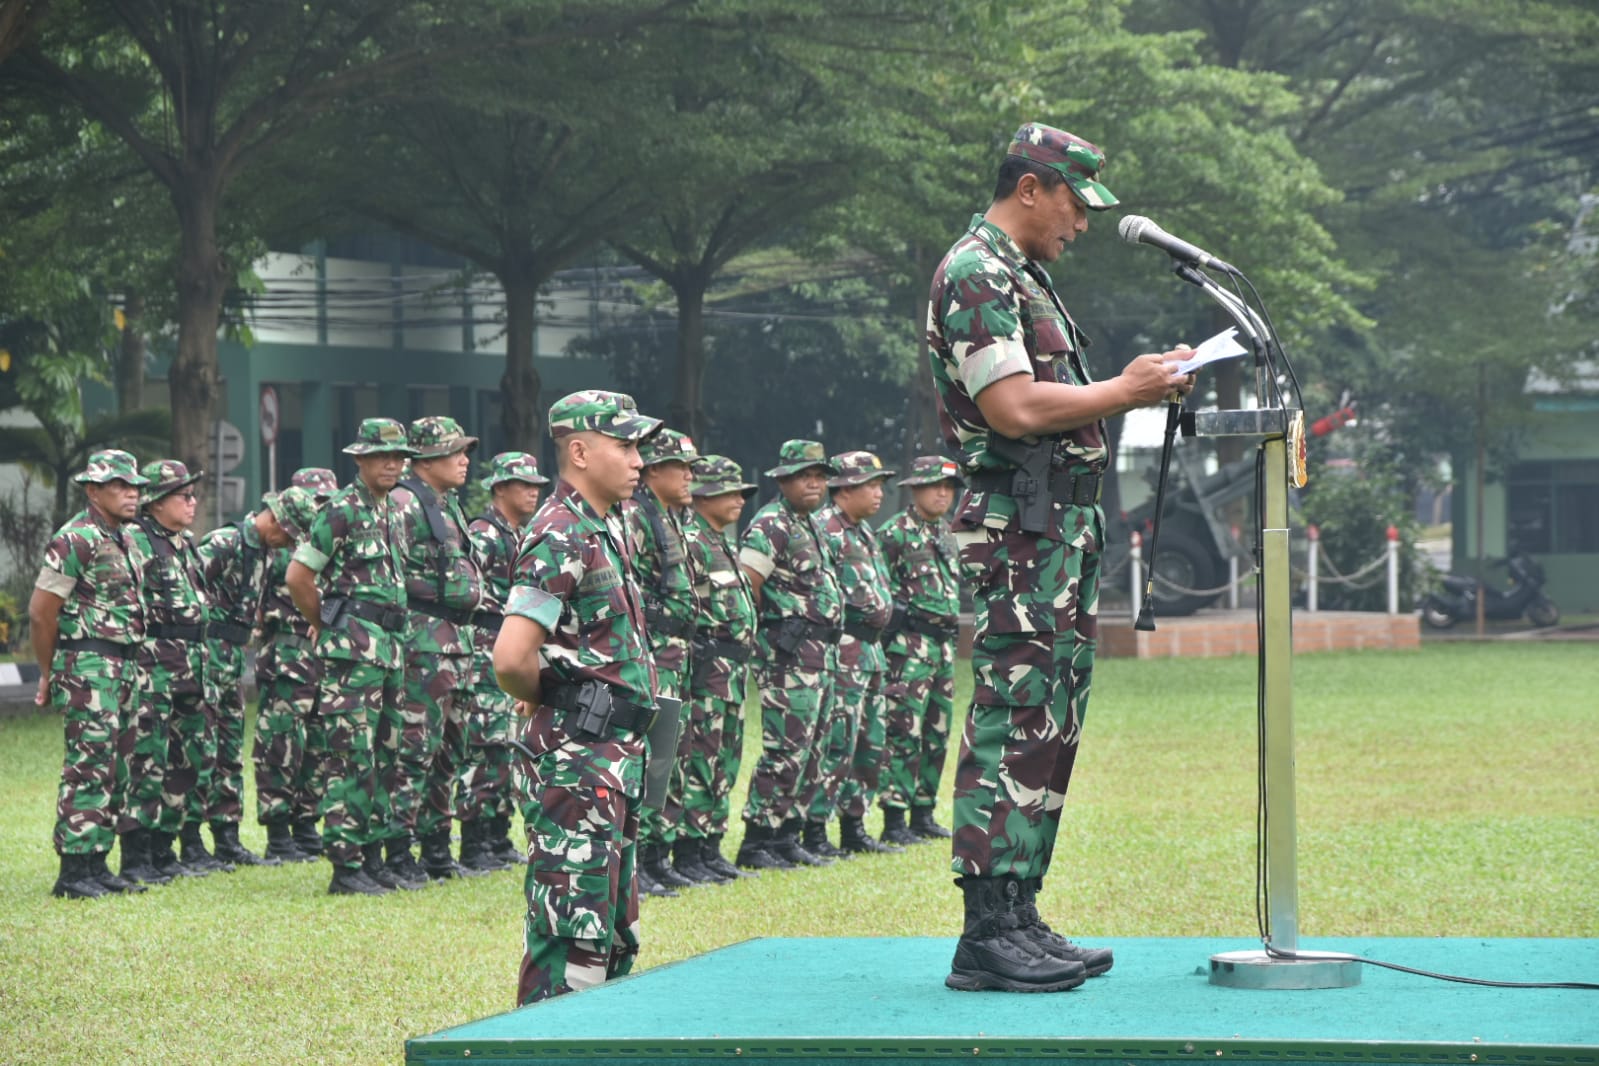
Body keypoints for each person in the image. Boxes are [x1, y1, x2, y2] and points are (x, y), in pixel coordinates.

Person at [927, 122, 1196, 992]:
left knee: (1050, 717)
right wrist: (1127, 389)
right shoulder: (975, 272)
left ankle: (1015, 909)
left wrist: (1137, 384)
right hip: (1019, 528)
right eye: (1076, 204)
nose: (1080, 223)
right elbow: (1009, 406)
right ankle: (983, 931)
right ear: (1032, 188)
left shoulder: (1021, 276)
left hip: (1056, 530)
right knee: (1014, 712)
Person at [491, 389, 662, 1005]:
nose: (639, 459)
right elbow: (511, 658)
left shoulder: (604, 527)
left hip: (610, 762)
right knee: (571, 939)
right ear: (581, 451)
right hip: (578, 761)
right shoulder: (561, 530)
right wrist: (553, 700)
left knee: (611, 938)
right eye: (625, 445)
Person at [285, 418, 414, 896]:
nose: (392, 464)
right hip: (353, 652)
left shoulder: (394, 511)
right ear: (359, 459)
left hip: (390, 648)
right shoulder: (341, 510)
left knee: (385, 753)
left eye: (399, 457)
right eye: (383, 456)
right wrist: (324, 624)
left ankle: (373, 853)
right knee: (350, 756)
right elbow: (299, 576)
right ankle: (346, 862)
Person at [30, 450, 149, 899]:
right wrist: (48, 674)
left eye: (134, 485)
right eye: (120, 485)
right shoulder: (74, 538)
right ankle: (73, 872)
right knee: (88, 765)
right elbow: (42, 615)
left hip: (125, 664)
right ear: (92, 490)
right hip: (88, 665)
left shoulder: (127, 539)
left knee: (118, 766)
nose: (132, 492)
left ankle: (97, 862)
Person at [391, 415, 491, 884]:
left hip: (456, 645)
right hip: (423, 645)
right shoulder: (404, 504)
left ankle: (435, 847)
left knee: (451, 750)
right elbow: (388, 575)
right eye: (456, 452)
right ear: (427, 459)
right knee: (415, 749)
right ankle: (396, 850)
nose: (465, 460)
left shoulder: (446, 505)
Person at [734, 439, 843, 870]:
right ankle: (757, 840)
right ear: (783, 480)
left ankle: (786, 835)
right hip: (789, 655)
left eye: (819, 476)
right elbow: (748, 584)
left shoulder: (810, 523)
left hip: (820, 654)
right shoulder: (770, 524)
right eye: (804, 476)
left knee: (813, 749)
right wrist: (769, 638)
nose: (814, 483)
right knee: (786, 748)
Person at [126, 460, 225, 880]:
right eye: (182, 495)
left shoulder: (184, 542)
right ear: (154, 502)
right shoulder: (135, 541)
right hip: (154, 670)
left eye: (192, 494)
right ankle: (137, 856)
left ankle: (167, 849)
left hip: (191, 667)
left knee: (188, 760)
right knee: (147, 761)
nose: (192, 502)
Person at [196, 488, 299, 867]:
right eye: (287, 534)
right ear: (272, 518)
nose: (288, 542)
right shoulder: (224, 543)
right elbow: (188, 590)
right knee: (200, 749)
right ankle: (190, 842)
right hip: (207, 656)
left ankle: (227, 839)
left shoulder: (265, 552)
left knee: (228, 753)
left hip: (234, 660)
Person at [623, 427, 704, 893]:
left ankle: (660, 853)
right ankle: (642, 858)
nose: (690, 476)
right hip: (654, 651)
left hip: (680, 652)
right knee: (652, 755)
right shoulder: (637, 518)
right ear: (654, 470)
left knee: (674, 755)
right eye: (682, 467)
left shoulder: (670, 517)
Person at [462, 451, 548, 868]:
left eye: (535, 485)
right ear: (499, 489)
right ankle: (475, 839)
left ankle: (495, 836)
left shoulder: (520, 533)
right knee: (484, 742)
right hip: (485, 649)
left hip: (505, 646)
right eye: (522, 484)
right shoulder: (483, 533)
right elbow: (472, 591)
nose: (532, 492)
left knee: (504, 745)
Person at [810, 450, 898, 857]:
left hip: (870, 651)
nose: (879, 493)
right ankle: (814, 829)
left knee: (871, 741)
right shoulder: (824, 530)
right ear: (843, 489)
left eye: (881, 484)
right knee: (837, 740)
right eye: (871, 485)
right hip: (843, 647)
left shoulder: (863, 532)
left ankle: (854, 825)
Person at [877, 456, 964, 849]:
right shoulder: (893, 534)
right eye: (934, 486)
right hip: (907, 647)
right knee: (903, 731)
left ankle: (923, 812)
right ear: (915, 489)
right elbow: (879, 592)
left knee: (937, 730)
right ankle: (895, 818)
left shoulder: (948, 532)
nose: (943, 493)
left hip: (942, 647)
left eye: (948, 487)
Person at [679, 455, 759, 881]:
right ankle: (689, 853)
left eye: (741, 493)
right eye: (730, 493)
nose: (739, 501)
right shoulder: (691, 542)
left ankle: (711, 847)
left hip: (731, 672)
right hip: (707, 669)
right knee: (700, 760)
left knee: (726, 759)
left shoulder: (721, 540)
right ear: (703, 495)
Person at [255, 473, 337, 861]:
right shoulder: (279, 550)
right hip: (287, 657)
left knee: (318, 747)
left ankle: (306, 824)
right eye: (314, 501)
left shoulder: (333, 546)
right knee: (281, 744)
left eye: (326, 501)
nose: (320, 509)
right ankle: (277, 833)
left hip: (323, 658)